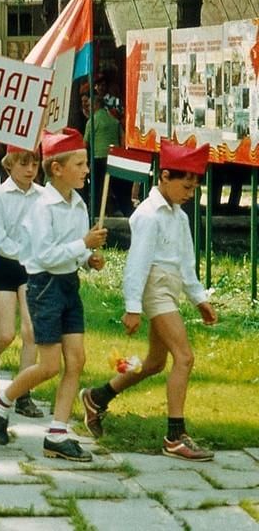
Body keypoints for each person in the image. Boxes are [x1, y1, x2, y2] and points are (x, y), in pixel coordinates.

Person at [80, 140, 217, 461]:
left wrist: (198, 299)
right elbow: (137, 264)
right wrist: (132, 307)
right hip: (154, 288)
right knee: (184, 357)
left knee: (155, 362)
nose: (190, 192)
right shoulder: (148, 215)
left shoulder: (179, 216)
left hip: (170, 287)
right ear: (164, 176)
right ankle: (174, 436)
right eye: (185, 185)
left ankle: (97, 397)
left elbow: (186, 263)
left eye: (194, 186)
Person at [0, 128, 107, 462]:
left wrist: (89, 259)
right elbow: (44, 255)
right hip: (44, 287)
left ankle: (57, 433)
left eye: (84, 164)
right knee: (50, 364)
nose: (86, 169)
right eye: (79, 164)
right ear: (58, 169)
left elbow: (72, 253)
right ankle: (0, 401)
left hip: (68, 286)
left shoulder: (79, 204)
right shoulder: (41, 207)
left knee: (76, 360)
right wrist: (83, 245)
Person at [0, 146, 45, 418]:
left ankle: (24, 393)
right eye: (23, 164)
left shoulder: (42, 196)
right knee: (6, 334)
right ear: (9, 165)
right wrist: (24, 254)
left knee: (32, 332)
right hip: (5, 264)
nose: (30, 170)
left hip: (32, 267)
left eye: (35, 164)